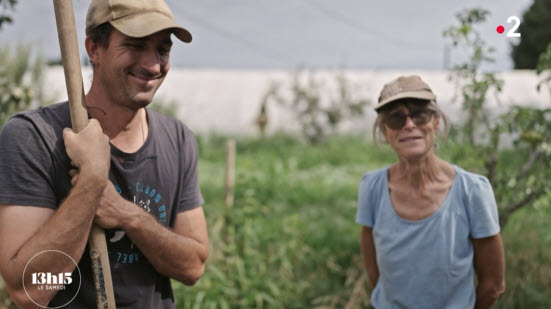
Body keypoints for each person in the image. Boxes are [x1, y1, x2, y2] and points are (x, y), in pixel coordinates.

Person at [0, 0, 208, 307]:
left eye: (163, 50)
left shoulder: (177, 140)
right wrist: (91, 182)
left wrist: (126, 214)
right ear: (94, 49)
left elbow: (192, 268)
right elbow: (32, 291)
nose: (153, 65)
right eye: (136, 46)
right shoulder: (34, 137)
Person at [356, 75, 505, 309]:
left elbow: (493, 284)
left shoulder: (472, 190)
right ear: (386, 132)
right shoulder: (372, 187)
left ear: (436, 123)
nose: (409, 125)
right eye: (396, 118)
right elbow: (374, 270)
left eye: (419, 114)